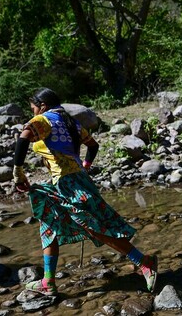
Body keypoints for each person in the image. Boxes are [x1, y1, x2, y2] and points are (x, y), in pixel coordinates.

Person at [12, 87, 158, 295]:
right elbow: (93, 145)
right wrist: (85, 165)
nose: (33, 112)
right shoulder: (71, 122)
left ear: (42, 106)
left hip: (68, 183)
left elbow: (24, 136)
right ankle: (48, 281)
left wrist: (18, 171)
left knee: (94, 226)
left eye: (34, 108)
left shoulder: (44, 119)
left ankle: (144, 262)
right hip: (71, 180)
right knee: (49, 224)